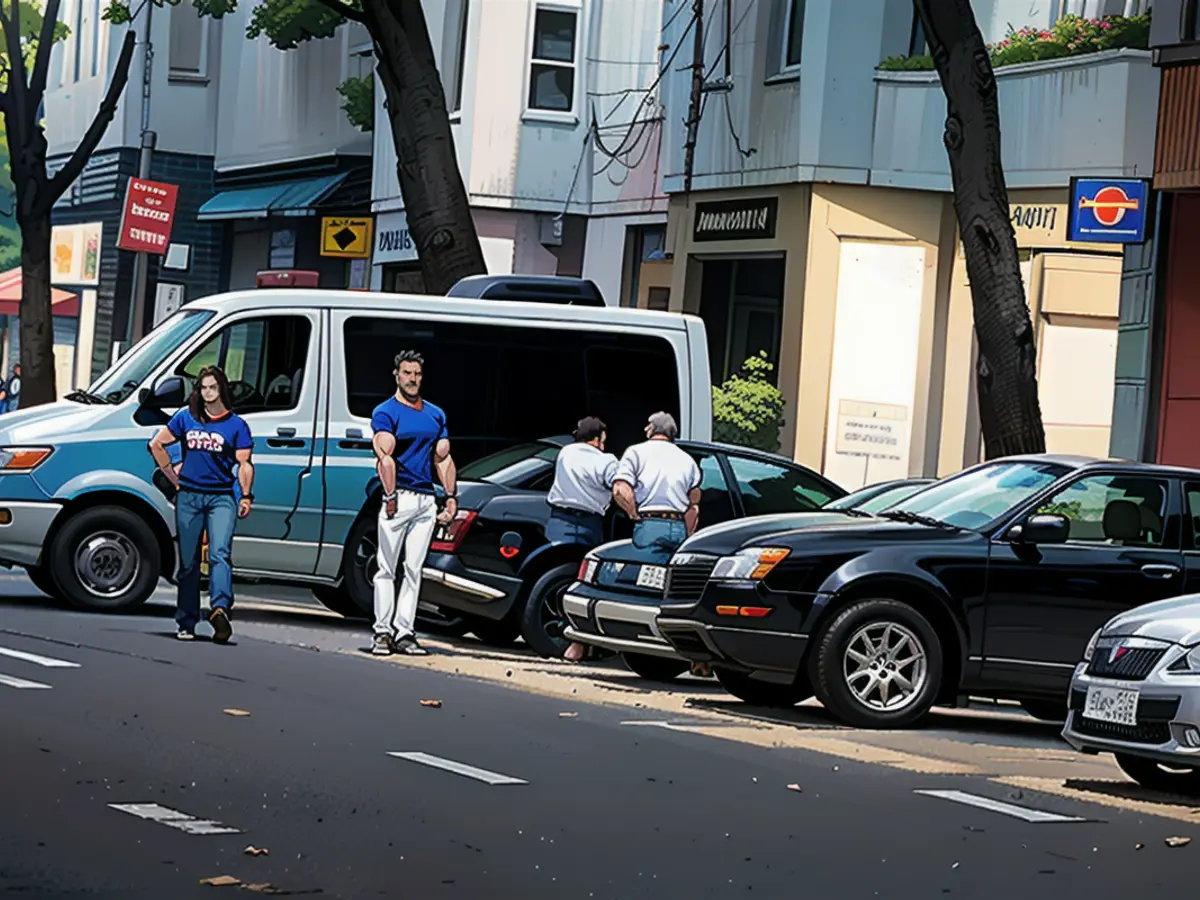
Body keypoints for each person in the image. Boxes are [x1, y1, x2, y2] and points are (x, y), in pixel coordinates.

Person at [149, 366, 254, 644]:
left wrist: (245, 495)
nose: (208, 392)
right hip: (189, 497)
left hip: (222, 497)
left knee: (220, 554)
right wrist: (173, 477)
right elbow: (157, 444)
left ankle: (220, 610)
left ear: (222, 389)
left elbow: (244, 464)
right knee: (188, 562)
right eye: (203, 388)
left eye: (213, 387)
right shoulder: (186, 418)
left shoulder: (236, 425)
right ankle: (187, 621)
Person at [370, 350, 457, 657]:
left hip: (425, 499)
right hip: (400, 496)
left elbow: (442, 458)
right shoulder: (385, 412)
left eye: (417, 374)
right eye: (407, 373)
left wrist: (450, 498)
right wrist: (390, 496)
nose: (412, 379)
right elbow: (385, 457)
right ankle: (382, 632)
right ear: (397, 375)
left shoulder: (435, 414)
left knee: (414, 569)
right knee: (386, 567)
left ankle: (405, 632)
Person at [546, 416, 619, 662]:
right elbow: (616, 485)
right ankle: (578, 643)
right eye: (603, 440)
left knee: (555, 578)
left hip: (557, 520)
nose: (604, 446)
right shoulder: (606, 461)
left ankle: (557, 633)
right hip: (588, 523)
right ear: (597, 439)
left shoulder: (565, 453)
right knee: (585, 582)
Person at [612, 411, 701, 563]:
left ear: (653, 428)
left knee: (646, 577)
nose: (646, 428)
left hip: (650, 524)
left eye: (648, 426)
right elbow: (694, 503)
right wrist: (687, 531)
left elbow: (620, 488)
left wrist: (633, 513)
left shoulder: (636, 452)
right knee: (670, 577)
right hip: (678, 526)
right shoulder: (688, 460)